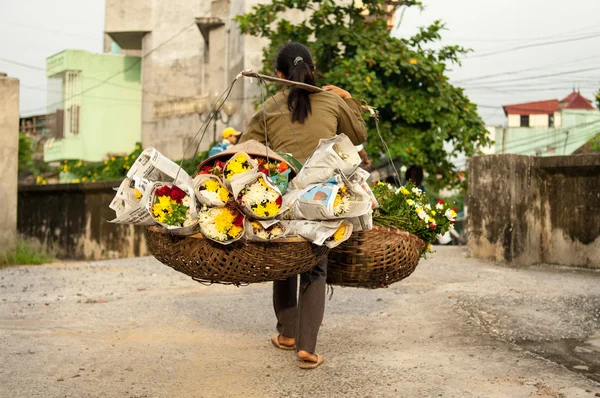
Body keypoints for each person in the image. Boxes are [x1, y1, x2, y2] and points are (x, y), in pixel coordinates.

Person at [239, 42, 367, 369]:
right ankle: (306, 348)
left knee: (285, 259)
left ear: (279, 75)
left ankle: (287, 334)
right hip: (324, 199)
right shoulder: (332, 101)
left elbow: (245, 148)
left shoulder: (269, 107)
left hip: (283, 198)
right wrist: (347, 97)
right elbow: (360, 134)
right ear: (313, 70)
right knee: (316, 264)